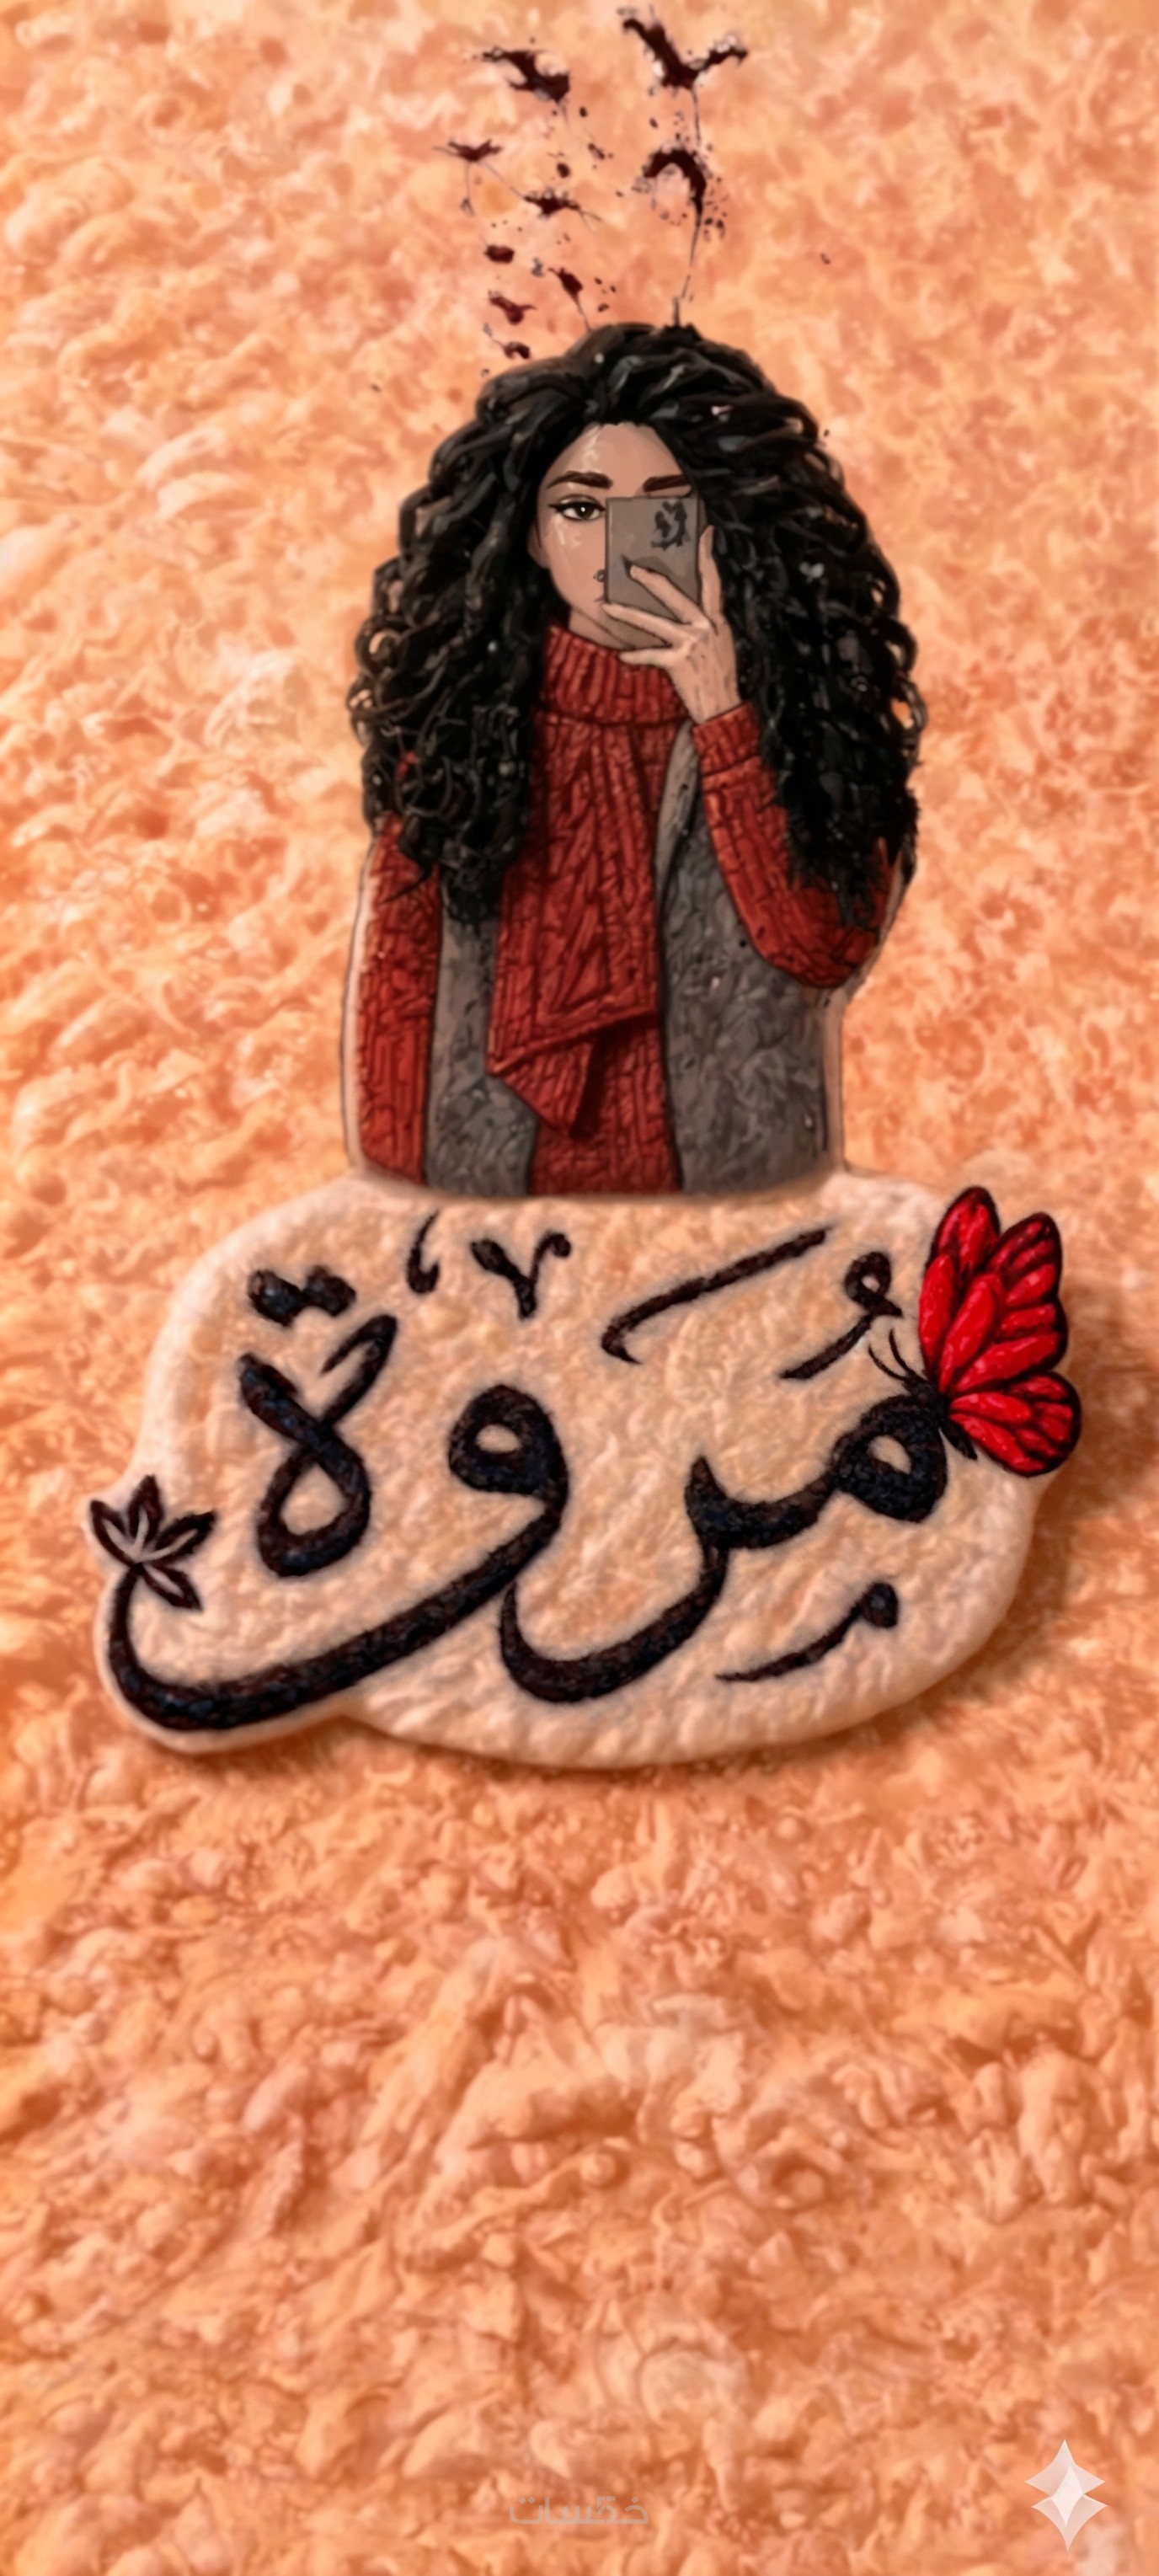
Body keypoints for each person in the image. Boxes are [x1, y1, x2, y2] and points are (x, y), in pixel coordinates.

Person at [344, 320, 925, 1197]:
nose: (619, 542)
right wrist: (407, 1208)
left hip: (742, 1209)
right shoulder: (459, 734)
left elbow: (824, 947)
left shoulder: (808, 726)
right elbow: (397, 996)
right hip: (496, 1212)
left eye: (662, 507)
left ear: (713, 524)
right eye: (581, 509)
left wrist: (722, 711)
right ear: (532, 536)